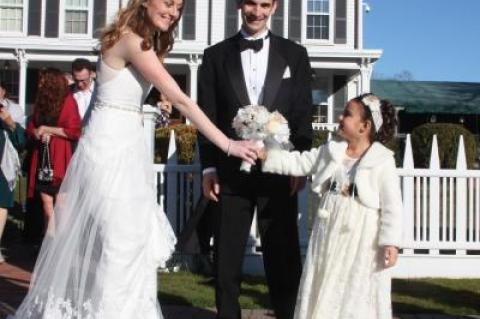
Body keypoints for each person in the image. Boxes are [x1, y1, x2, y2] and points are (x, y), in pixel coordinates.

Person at [10, 0, 257, 318]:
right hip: (110, 152)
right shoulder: (132, 40)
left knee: (131, 244)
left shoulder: (141, 40)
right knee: (121, 245)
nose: (173, 11)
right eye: (167, 2)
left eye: (179, 7)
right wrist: (229, 145)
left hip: (122, 148)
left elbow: (97, 105)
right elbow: (181, 98)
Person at [197, 0, 313, 318]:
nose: (257, 11)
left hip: (279, 173)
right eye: (251, 3)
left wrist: (300, 164)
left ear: (274, 7)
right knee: (225, 264)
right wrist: (208, 167)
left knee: (284, 262)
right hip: (230, 174)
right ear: (239, 4)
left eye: (265, 4)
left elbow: (303, 114)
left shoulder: (295, 55)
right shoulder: (214, 57)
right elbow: (206, 116)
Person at [259, 93, 403, 319]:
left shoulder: (382, 160)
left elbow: (393, 205)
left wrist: (391, 242)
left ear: (364, 126)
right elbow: (300, 161)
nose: (340, 116)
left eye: (347, 114)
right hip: (329, 229)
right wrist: (269, 154)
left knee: (354, 286)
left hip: (362, 237)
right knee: (325, 279)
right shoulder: (331, 150)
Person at [26, 68, 82, 233]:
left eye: (43, 80)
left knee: (62, 205)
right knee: (47, 206)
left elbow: (74, 131)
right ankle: (49, 245)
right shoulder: (41, 102)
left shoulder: (68, 101)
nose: (40, 83)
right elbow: (32, 126)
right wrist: (36, 132)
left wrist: (48, 129)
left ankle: (61, 248)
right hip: (42, 155)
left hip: (60, 156)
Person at [0, 81, 25, 264]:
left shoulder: (13, 110)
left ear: (3, 91)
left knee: (1, 203)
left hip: (3, 162)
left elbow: (21, 142)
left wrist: (9, 122)